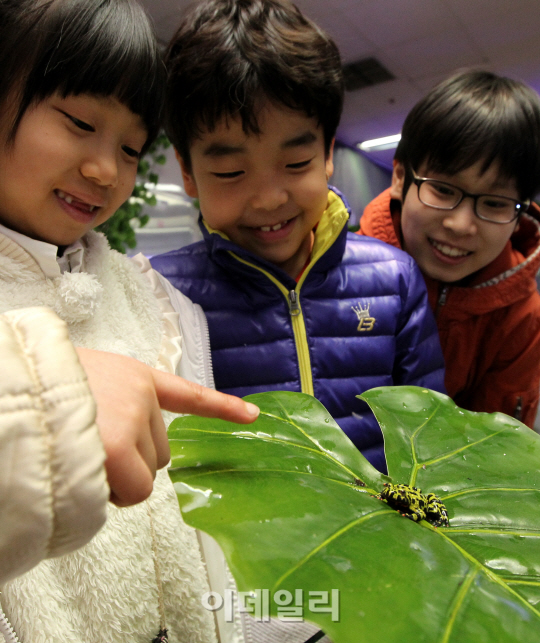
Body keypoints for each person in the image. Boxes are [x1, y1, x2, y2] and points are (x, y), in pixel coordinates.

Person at [0, 0, 259, 641]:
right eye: (80, 122)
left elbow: (197, 525)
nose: (105, 170)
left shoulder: (151, 299)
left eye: (131, 148)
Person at [151, 0, 445, 476]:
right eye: (230, 171)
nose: (268, 199)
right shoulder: (161, 291)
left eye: (295, 164)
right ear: (187, 172)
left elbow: (431, 440)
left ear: (328, 154)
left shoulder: (393, 279)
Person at [359, 70, 540, 426]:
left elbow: (493, 447)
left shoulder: (522, 316)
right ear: (399, 178)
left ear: (520, 214)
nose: (460, 225)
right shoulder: (334, 273)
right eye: (442, 189)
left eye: (494, 203)